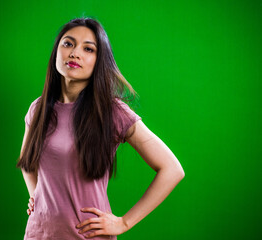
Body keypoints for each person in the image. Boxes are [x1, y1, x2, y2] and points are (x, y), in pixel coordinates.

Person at [16, 17, 185, 240]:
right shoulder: (37, 109)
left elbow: (172, 169)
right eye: (68, 43)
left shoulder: (113, 112)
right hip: (38, 234)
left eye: (88, 49)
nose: (75, 53)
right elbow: (27, 162)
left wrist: (124, 222)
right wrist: (37, 196)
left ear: (99, 60)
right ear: (56, 51)